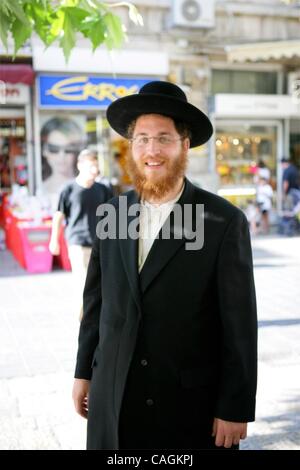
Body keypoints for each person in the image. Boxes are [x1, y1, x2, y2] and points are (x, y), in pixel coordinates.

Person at [72, 81, 257, 450]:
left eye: (163, 138)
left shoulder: (221, 221)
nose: (151, 150)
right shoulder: (112, 213)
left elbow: (239, 323)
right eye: (141, 138)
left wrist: (235, 405)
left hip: (186, 408)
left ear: (185, 145)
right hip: (114, 395)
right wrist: (83, 372)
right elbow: (95, 304)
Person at [49, 149, 113, 320]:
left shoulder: (103, 189)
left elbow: (111, 216)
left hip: (100, 243)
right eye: (91, 165)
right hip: (78, 243)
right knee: (83, 282)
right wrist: (54, 240)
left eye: (96, 165)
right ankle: (84, 319)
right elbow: (59, 216)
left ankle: (97, 316)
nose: (95, 169)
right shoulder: (68, 189)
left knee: (101, 282)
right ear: (80, 166)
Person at [41, 117, 85, 194]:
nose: (61, 156)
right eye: (54, 149)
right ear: (45, 151)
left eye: (68, 149)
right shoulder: (41, 190)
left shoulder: (85, 187)